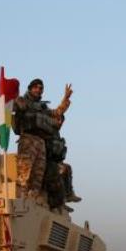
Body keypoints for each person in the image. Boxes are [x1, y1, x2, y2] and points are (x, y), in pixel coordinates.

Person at [13, 79, 79, 208]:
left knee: (38, 175)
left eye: (41, 88)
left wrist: (66, 98)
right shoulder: (23, 101)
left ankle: (33, 202)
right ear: (30, 88)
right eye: (36, 87)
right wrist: (16, 101)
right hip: (28, 139)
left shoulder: (42, 107)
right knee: (24, 173)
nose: (38, 90)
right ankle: (21, 200)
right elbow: (14, 110)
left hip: (40, 142)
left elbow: (57, 113)